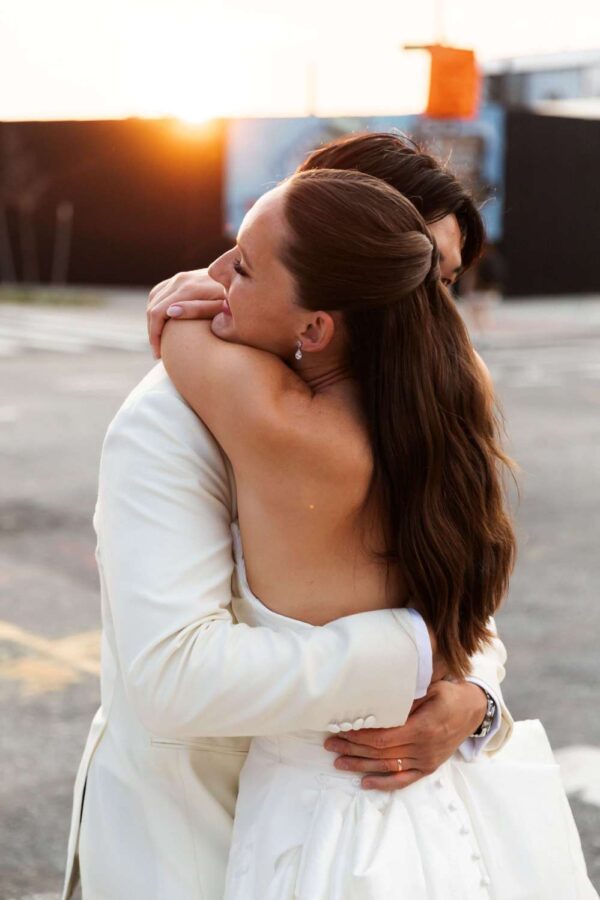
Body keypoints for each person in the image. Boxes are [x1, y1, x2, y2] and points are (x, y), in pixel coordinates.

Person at [62, 135, 514, 900]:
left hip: (379, 827)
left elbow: (463, 605)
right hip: (190, 846)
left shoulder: (405, 417)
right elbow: (173, 673)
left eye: (438, 281)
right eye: (411, 272)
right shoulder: (172, 419)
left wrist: (474, 702)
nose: (429, 311)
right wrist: (410, 657)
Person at [160, 168, 596, 899]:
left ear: (315, 326)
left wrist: (179, 297)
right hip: (448, 803)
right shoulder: (447, 411)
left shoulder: (280, 424)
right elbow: (469, 617)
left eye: (245, 263)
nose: (221, 274)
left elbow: (179, 321)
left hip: (325, 826)